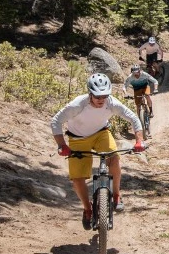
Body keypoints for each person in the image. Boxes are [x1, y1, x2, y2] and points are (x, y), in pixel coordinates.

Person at [51, 73, 146, 230]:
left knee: (114, 159)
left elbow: (133, 118)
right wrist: (62, 145)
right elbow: (56, 121)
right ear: (90, 93)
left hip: (102, 133)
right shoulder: (77, 105)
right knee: (77, 178)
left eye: (105, 95)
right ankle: (88, 209)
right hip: (78, 138)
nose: (101, 99)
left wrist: (139, 140)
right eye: (97, 96)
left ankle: (116, 196)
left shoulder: (111, 103)